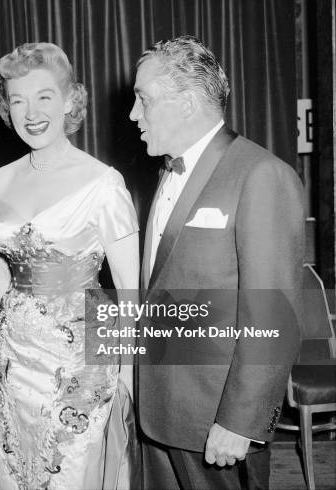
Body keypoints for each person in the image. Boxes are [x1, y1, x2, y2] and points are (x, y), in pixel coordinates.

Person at [130, 35, 304, 489]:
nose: (133, 115)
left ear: (187, 103)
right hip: (156, 414)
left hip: (214, 424)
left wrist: (241, 422)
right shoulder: (166, 173)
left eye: (143, 100)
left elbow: (274, 314)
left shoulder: (262, 174)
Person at [0, 42, 140, 489]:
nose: (31, 112)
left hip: (82, 361)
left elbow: (128, 287)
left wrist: (127, 373)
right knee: (18, 470)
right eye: (18, 100)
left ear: (70, 100)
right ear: (6, 108)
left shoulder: (104, 184)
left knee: (69, 472)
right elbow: (0, 279)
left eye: (44, 96)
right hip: (14, 360)